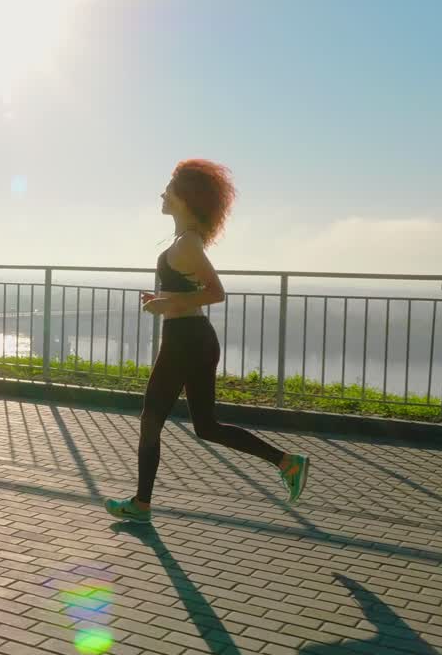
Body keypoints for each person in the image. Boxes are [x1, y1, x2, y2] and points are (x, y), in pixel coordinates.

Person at [105, 159, 309, 525]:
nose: (162, 194)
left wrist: (168, 303)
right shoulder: (186, 240)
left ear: (184, 197)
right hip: (195, 339)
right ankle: (287, 463)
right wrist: (163, 302)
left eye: (168, 188)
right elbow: (192, 291)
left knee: (151, 419)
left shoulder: (186, 244)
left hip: (185, 340)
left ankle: (141, 504)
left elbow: (217, 292)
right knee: (206, 426)